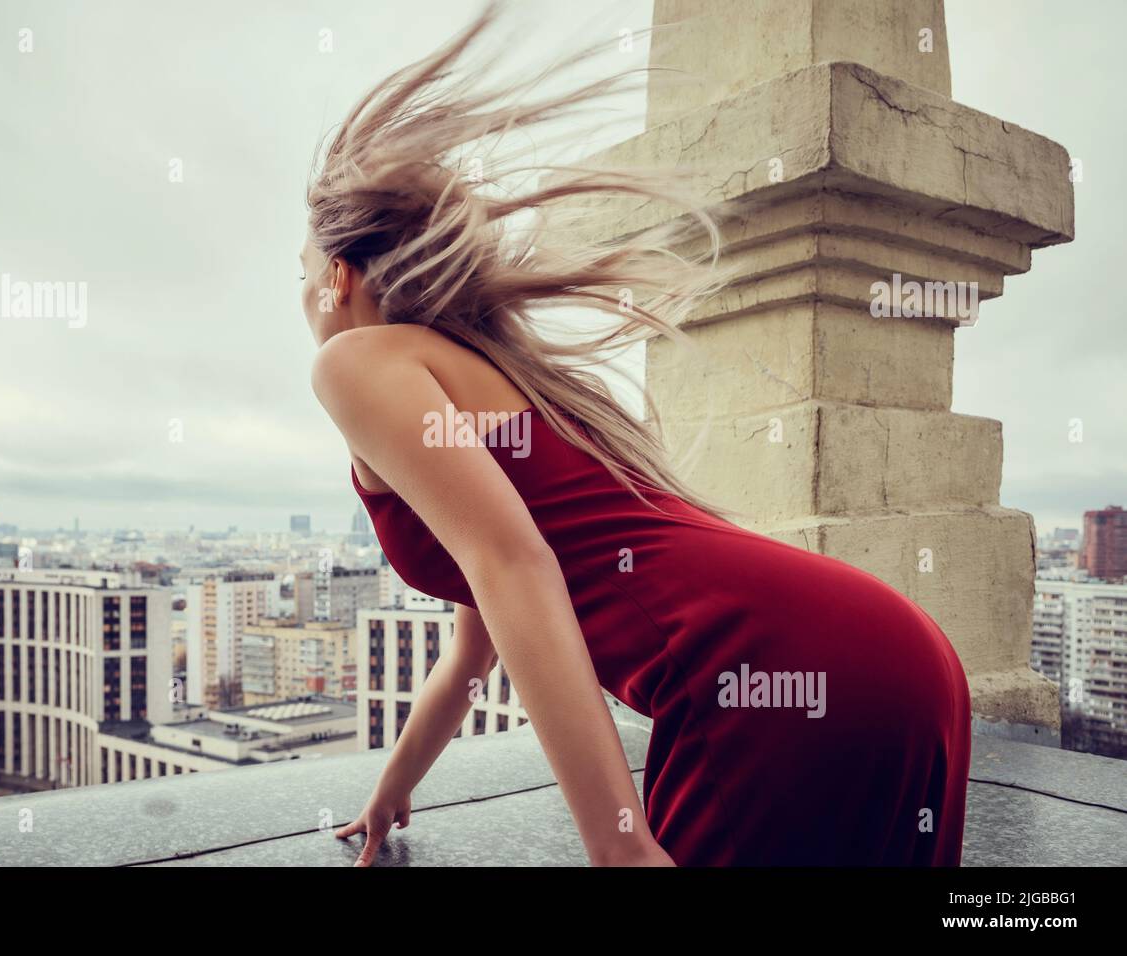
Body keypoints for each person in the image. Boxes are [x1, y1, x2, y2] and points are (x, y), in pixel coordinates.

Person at [304, 1, 971, 866]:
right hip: (887, 653)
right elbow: (479, 637)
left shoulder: (357, 362)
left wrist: (616, 846)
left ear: (336, 276)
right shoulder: (483, 373)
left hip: (761, 674)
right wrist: (393, 788)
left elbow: (516, 567)